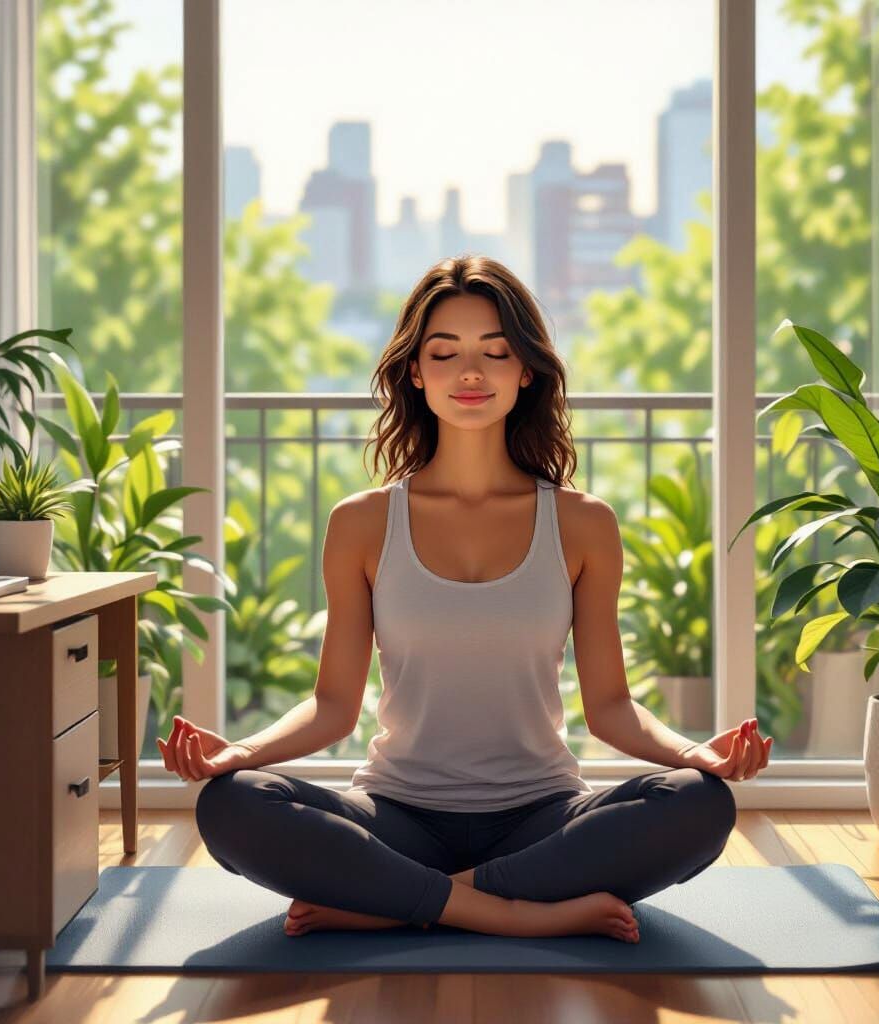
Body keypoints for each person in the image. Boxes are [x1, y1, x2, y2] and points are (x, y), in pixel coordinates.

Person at [158, 255, 772, 944]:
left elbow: (609, 709)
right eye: (445, 352)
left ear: (526, 370)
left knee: (698, 805)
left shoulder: (582, 523)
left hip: (542, 818)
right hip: (398, 818)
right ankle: (514, 913)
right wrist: (238, 752)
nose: (470, 373)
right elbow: (333, 706)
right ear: (415, 372)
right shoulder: (360, 523)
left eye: (495, 352)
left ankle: (399, 904)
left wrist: (696, 756)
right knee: (232, 806)